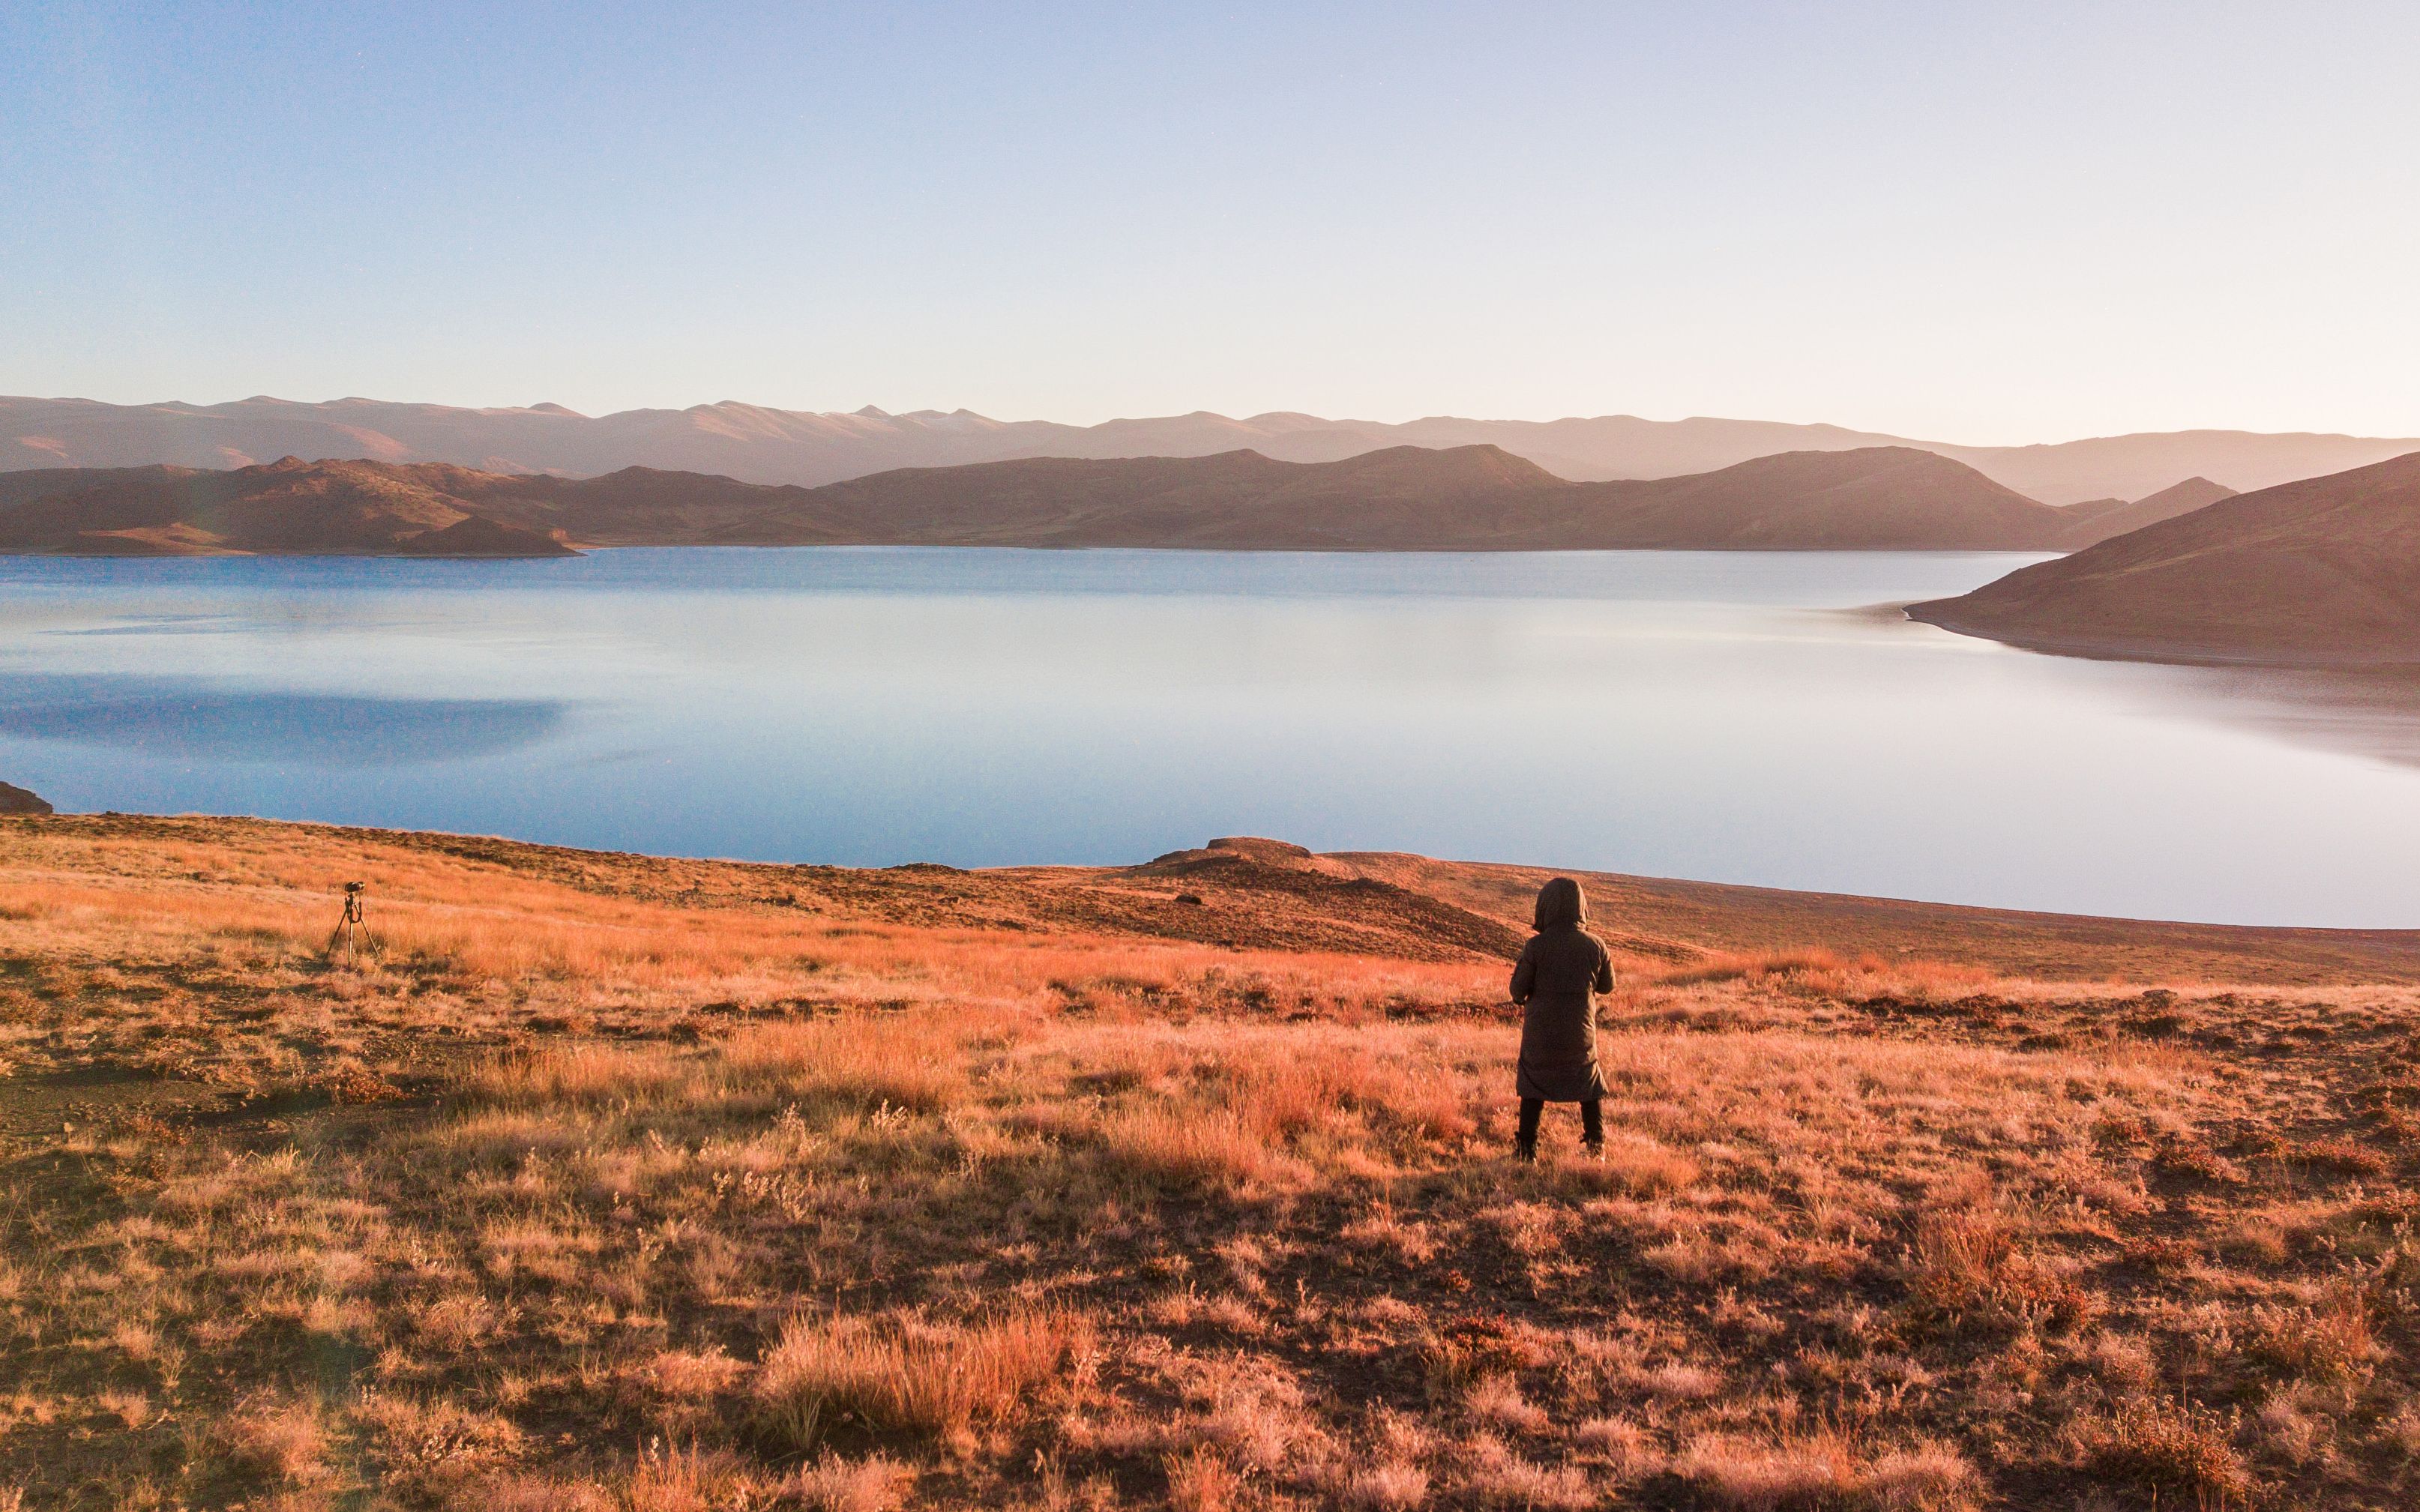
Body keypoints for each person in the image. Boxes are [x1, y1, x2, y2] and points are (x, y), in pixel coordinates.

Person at [1508, 876, 1613, 1161]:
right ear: (1582, 907)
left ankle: (1527, 1149)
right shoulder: (1596, 945)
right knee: (1588, 1083)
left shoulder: (1536, 947)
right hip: (1581, 1032)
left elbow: (1518, 990)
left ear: (1545, 906)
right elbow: (1607, 986)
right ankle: (1595, 1147)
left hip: (1541, 1033)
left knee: (1533, 1084)